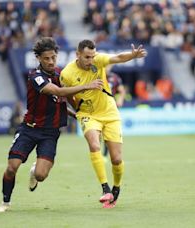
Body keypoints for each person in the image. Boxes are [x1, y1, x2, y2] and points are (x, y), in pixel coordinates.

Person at [0, 37, 103, 212]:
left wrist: (76, 115)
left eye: (53, 57)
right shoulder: (35, 76)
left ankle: (34, 171)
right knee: (12, 167)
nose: (51, 61)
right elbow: (57, 92)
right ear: (39, 58)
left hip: (50, 133)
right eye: (47, 58)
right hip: (29, 129)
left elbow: (60, 100)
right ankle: (5, 202)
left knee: (41, 175)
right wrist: (86, 86)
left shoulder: (62, 76)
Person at [60, 40, 147, 208]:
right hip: (88, 114)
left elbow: (119, 57)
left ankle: (116, 187)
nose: (91, 60)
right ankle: (105, 188)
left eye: (93, 56)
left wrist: (132, 56)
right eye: (87, 57)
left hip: (109, 112)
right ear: (77, 55)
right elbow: (65, 94)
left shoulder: (98, 60)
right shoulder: (67, 73)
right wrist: (77, 108)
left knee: (116, 159)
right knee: (94, 144)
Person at [103, 67, 126, 158]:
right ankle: (99, 154)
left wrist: (120, 99)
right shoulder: (94, 77)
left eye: (108, 65)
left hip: (110, 109)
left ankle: (105, 154)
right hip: (97, 108)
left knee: (108, 132)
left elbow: (122, 91)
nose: (107, 68)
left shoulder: (115, 78)